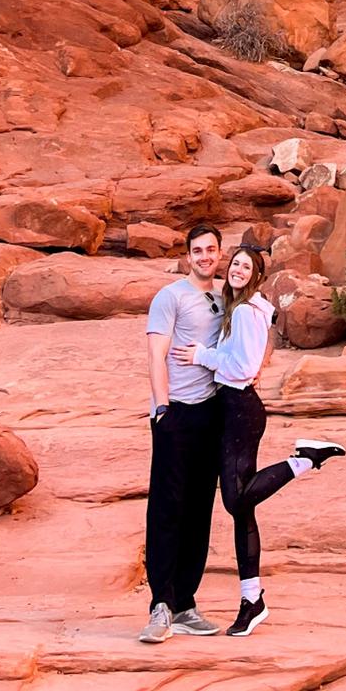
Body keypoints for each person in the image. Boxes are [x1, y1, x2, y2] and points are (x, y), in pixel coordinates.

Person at [174, 245, 346, 636]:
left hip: (241, 412)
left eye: (245, 267)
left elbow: (244, 366)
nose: (237, 270)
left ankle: (305, 459)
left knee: (236, 500)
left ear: (255, 276)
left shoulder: (249, 313)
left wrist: (203, 356)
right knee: (241, 510)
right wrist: (212, 354)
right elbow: (248, 356)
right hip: (229, 409)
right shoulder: (238, 309)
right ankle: (252, 600)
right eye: (234, 263)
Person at [140, 223, 225, 644]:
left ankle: (186, 603)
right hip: (176, 414)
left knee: (200, 508)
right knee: (167, 508)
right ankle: (161, 603)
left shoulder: (227, 295)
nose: (205, 256)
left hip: (213, 413)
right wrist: (161, 408)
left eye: (211, 249)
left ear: (219, 253)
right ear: (188, 255)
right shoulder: (170, 296)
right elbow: (156, 352)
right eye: (198, 250)